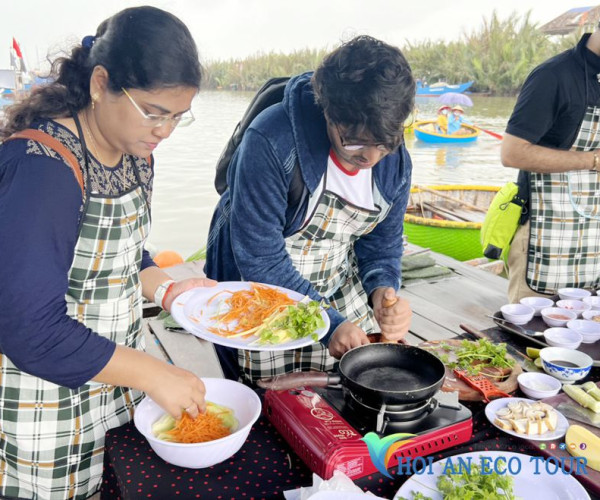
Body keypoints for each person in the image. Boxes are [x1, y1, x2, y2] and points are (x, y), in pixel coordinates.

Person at [0, 7, 215, 499]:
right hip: (42, 406)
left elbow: (122, 255)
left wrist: (169, 290)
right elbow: (27, 329)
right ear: (100, 84)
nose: (164, 131)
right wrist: (155, 373)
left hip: (113, 386)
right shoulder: (41, 169)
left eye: (177, 116)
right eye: (153, 112)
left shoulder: (134, 155)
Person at [205, 36, 415, 383]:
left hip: (335, 272)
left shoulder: (393, 154)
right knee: (269, 396)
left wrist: (383, 292)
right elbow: (261, 258)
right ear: (328, 111)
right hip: (264, 282)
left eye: (384, 145)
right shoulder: (271, 140)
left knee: (356, 377)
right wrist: (328, 322)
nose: (370, 158)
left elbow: (382, 244)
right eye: (354, 141)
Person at [501, 26, 600, 302]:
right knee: (530, 339)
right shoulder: (553, 76)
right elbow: (512, 153)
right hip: (546, 238)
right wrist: (592, 160)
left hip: (595, 239)